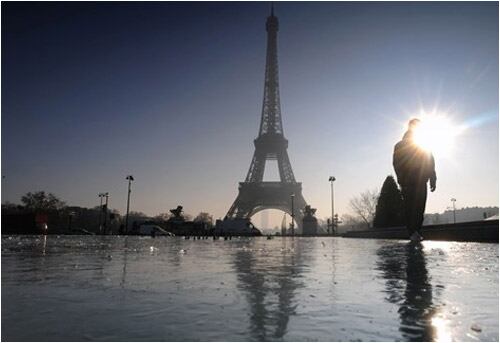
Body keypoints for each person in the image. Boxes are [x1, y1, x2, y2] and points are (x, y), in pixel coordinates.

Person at [393, 118, 437, 241]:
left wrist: (432, 177)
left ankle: (416, 231)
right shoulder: (400, 145)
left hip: (421, 180)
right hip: (409, 182)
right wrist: (402, 180)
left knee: (419, 207)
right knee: (411, 208)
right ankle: (413, 232)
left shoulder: (423, 143)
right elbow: (397, 163)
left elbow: (430, 161)